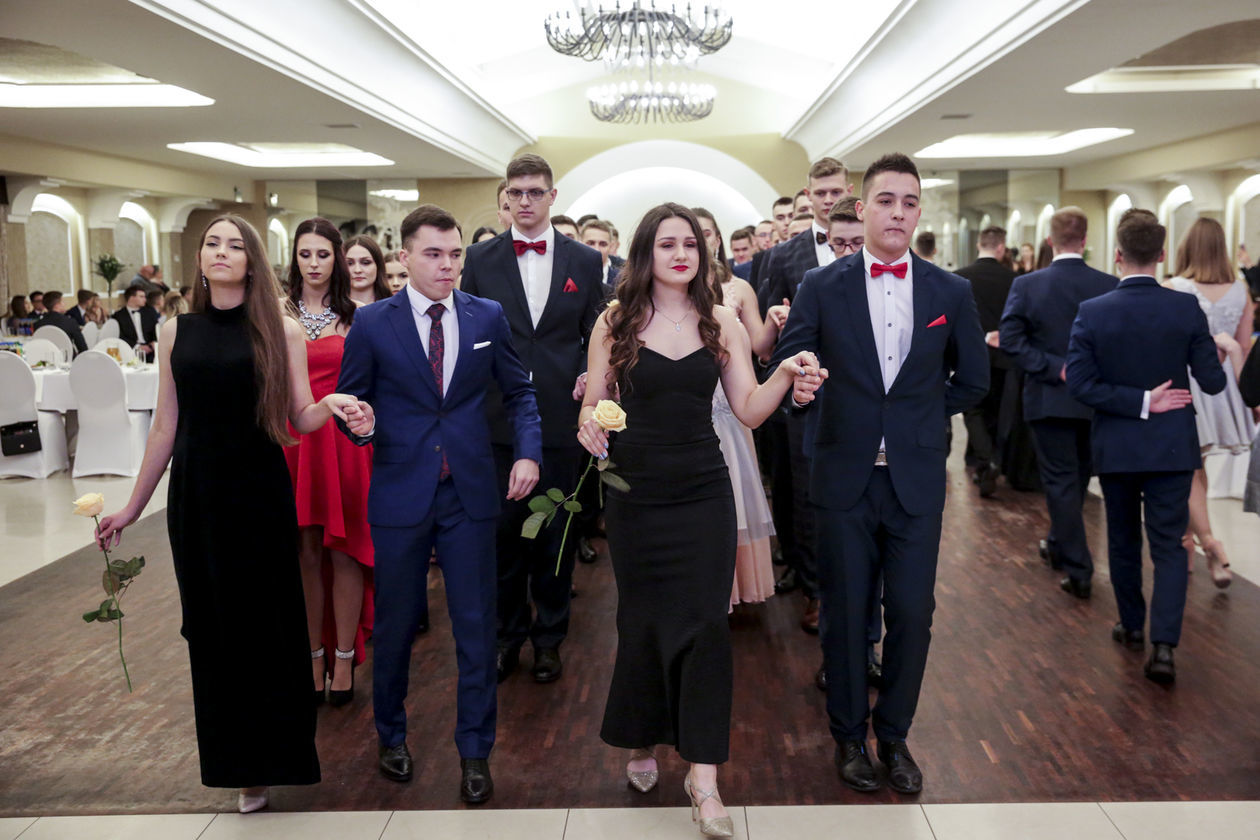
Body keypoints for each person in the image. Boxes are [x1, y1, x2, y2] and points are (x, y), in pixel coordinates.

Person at [96, 213, 370, 813]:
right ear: (200, 258)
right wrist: (131, 507)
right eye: (212, 244)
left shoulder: (281, 329)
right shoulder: (176, 331)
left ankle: (269, 764)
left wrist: (333, 403)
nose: (221, 252)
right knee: (211, 631)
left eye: (234, 245)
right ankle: (237, 766)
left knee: (265, 628)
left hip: (259, 493)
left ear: (251, 261)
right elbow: (165, 427)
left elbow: (299, 417)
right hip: (198, 498)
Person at [578, 202, 822, 838]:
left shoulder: (721, 321)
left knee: (708, 627)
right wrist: (589, 425)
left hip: (704, 492)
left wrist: (785, 372)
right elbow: (594, 401)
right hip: (634, 494)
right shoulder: (615, 320)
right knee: (642, 620)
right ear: (646, 253)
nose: (681, 254)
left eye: (689, 243)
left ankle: (704, 778)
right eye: (667, 244)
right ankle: (641, 737)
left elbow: (749, 409)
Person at [772, 152, 989, 795]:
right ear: (862, 208)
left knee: (914, 614)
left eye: (909, 202)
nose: (898, 213)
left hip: (914, 480)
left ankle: (894, 736)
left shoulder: (951, 291)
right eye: (887, 201)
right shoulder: (821, 286)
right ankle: (848, 736)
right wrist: (804, 389)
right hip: (844, 476)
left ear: (919, 212)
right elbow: (791, 362)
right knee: (843, 614)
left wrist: (919, 416)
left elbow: (974, 379)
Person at [336, 203, 542, 803]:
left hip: (469, 494)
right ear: (404, 257)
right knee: (397, 625)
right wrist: (361, 426)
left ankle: (475, 752)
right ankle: (391, 736)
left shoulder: (487, 315)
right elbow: (351, 404)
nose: (447, 265)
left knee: (477, 628)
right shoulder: (373, 323)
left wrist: (528, 454)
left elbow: (520, 393)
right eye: (433, 254)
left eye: (455, 254)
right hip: (400, 494)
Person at [460, 154, 605, 686]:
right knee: (502, 537)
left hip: (562, 416)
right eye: (516, 192)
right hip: (496, 419)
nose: (525, 201)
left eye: (535, 192)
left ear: (551, 196)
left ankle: (549, 640)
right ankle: (507, 638)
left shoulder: (585, 261)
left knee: (556, 536)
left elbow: (597, 332)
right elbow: (468, 332)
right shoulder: (480, 258)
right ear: (506, 196)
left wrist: (590, 374)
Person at [1066, 208, 1224, 685]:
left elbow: (1080, 384)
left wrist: (1136, 401)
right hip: (1172, 446)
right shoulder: (1185, 309)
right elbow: (1213, 383)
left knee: (1122, 539)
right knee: (1171, 545)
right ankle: (1164, 648)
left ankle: (1132, 626)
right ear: (1161, 254)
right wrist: (1217, 351)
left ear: (1118, 255)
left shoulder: (1093, 311)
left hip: (1117, 445)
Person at [758, 157, 854, 636]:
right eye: (821, 193)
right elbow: (772, 340)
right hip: (804, 391)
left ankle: (849, 588)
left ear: (848, 190)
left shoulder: (871, 245)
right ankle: (813, 586)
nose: (829, 199)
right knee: (804, 493)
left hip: (860, 391)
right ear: (808, 195)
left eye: (837, 191)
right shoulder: (784, 255)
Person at [283, 218, 377, 710]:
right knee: (304, 552)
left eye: (323, 254)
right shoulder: (276, 314)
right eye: (305, 254)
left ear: (337, 258)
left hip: (343, 444)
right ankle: (311, 656)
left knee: (345, 551)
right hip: (294, 442)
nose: (314, 263)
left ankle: (344, 659)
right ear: (294, 258)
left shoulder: (359, 315)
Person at [1000, 207, 1117, 598]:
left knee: (1062, 481)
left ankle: (1079, 567)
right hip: (1096, 400)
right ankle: (1058, 544)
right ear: (1085, 240)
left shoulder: (1028, 285)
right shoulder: (1109, 285)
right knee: (1077, 479)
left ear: (1050, 240)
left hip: (1048, 398)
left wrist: (1054, 367)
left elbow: (1011, 341)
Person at [692, 207, 784, 608]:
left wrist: (775, 322)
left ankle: (733, 586)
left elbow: (759, 346)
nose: (701, 241)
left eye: (707, 233)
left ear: (717, 239)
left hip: (732, 400)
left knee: (735, 495)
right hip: (694, 401)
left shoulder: (739, 288)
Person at [1164, 217, 1254, 586]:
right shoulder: (1241, 291)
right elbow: (1243, 348)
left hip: (1188, 385)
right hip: (1225, 388)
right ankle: (1189, 545)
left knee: (1188, 469)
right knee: (1196, 469)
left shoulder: (1174, 288)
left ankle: (1207, 543)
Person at [955, 226, 1017, 498]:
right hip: (1004, 357)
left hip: (970, 354)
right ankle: (989, 462)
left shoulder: (960, 278)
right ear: (1001, 247)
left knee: (973, 410)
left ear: (979, 245)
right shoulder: (1015, 280)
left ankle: (985, 460)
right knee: (995, 412)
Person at [111, 285, 159, 361]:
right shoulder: (118, 316)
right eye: (141, 297)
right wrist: (137, 347)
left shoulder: (150, 312)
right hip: (130, 350)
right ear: (131, 298)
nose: (145, 299)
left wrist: (154, 342)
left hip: (151, 351)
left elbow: (156, 329)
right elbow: (120, 335)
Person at [344, 234, 392, 306]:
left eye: (365, 262)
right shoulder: (330, 308)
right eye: (349, 263)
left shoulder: (396, 307)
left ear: (378, 266)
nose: (357, 270)